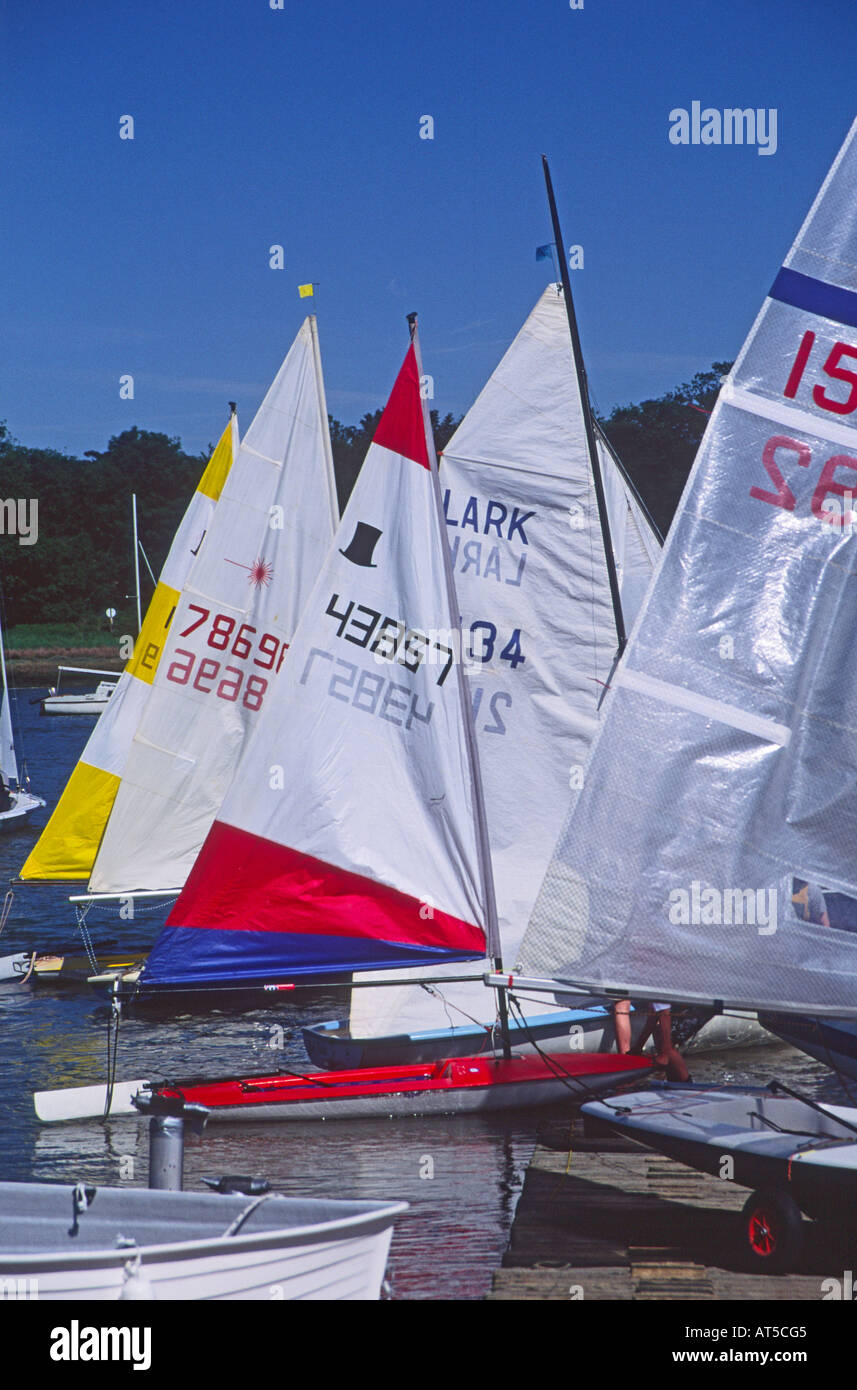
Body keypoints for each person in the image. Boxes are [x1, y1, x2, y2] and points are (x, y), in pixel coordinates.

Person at [612, 997, 690, 1082]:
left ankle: (688, 1086)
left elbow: (664, 1012)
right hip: (671, 1004)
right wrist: (638, 1047)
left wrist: (664, 1055)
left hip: (696, 1006)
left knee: (668, 1046)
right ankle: (674, 1083)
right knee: (662, 1039)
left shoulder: (658, 991)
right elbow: (654, 1015)